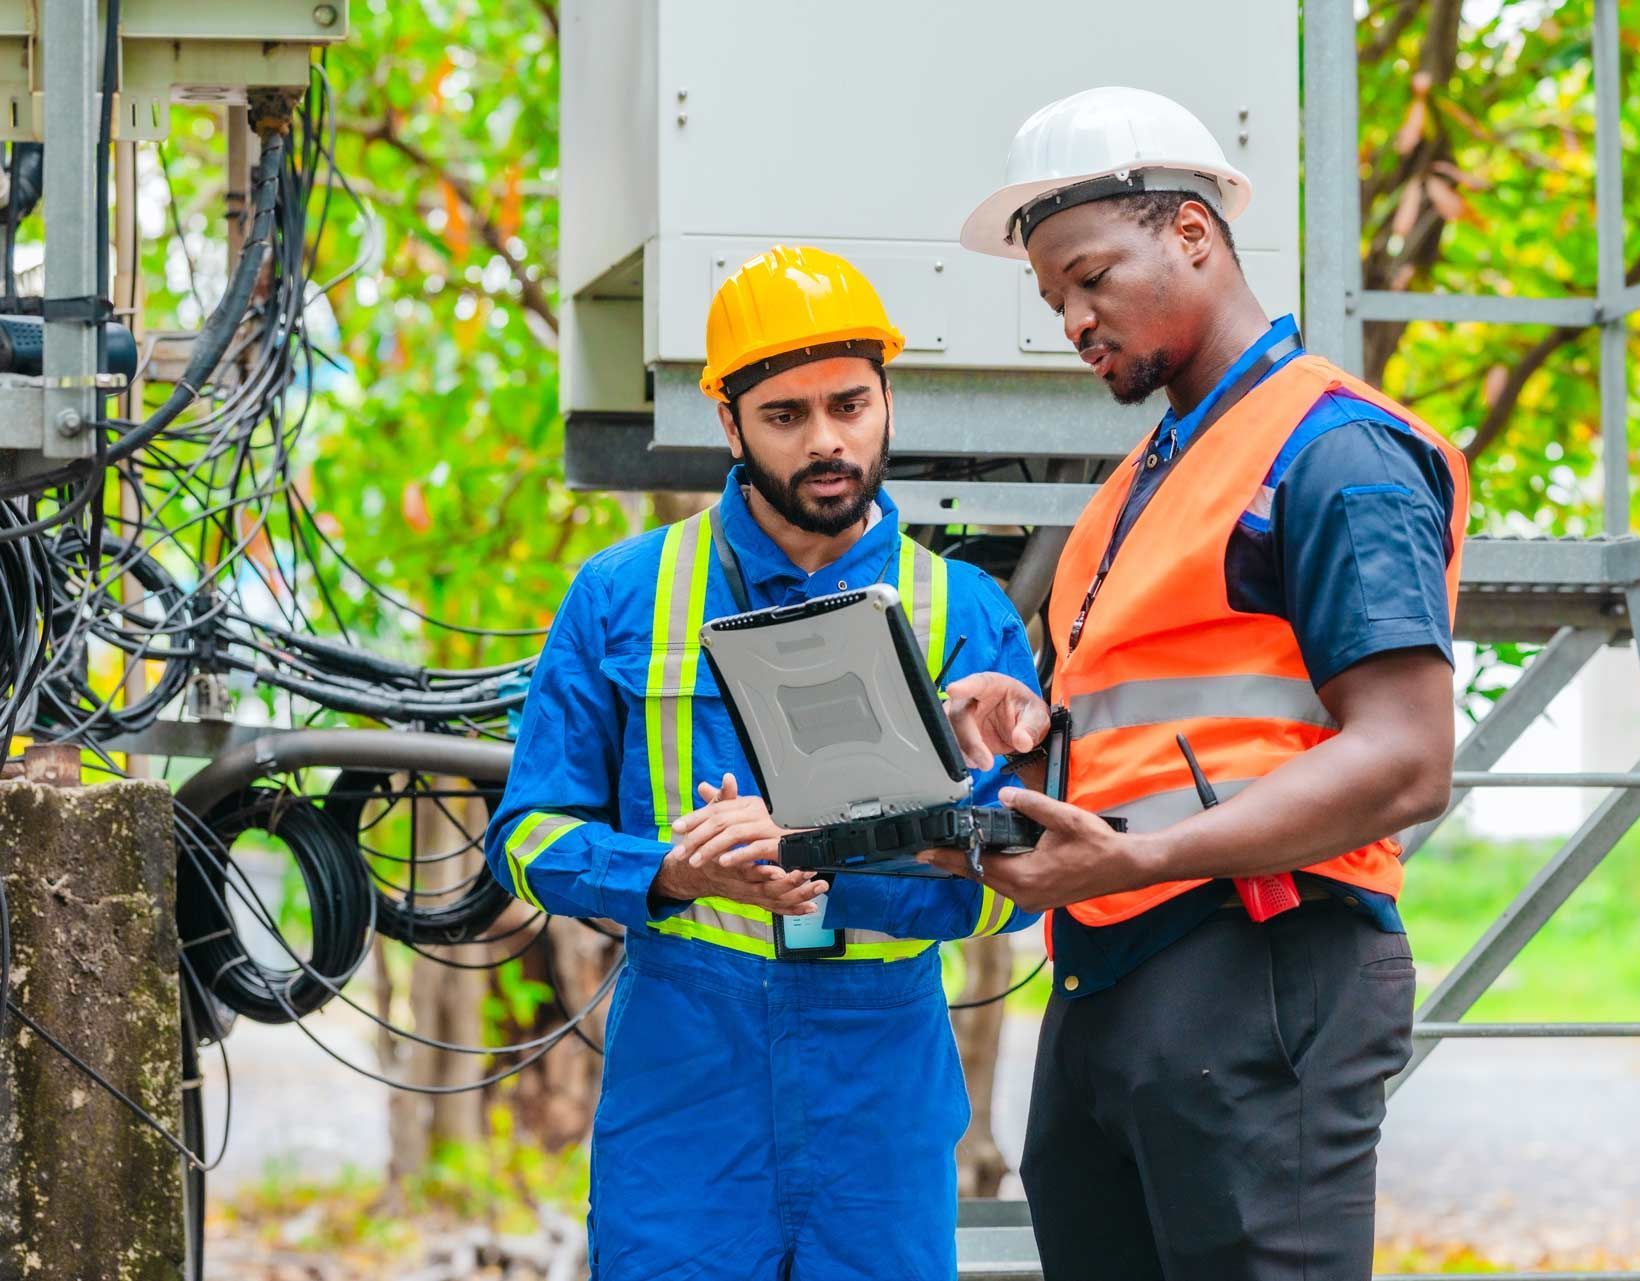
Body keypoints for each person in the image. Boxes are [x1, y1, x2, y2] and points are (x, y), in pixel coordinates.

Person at [926, 87, 1471, 1280]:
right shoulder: (1141, 483)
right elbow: (1161, 729)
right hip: (1117, 971)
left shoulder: (1334, 452)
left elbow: (1408, 758)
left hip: (1262, 967)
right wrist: (1028, 741)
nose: (1072, 318)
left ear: (1190, 232)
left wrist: (1137, 860)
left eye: (1089, 276)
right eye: (1054, 296)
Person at [485, 244, 1040, 1280]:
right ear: (727, 422)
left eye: (850, 404)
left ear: (886, 399)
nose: (827, 441)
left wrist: (841, 874)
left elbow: (1018, 893)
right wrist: (672, 871)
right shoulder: (619, 594)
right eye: (786, 416)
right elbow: (525, 839)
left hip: (882, 1065)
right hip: (690, 1053)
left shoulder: (965, 616)